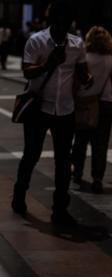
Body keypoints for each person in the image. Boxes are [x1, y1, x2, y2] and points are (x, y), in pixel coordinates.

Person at [11, 0, 93, 226]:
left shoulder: (77, 44)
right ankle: (19, 195)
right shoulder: (37, 41)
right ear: (51, 21)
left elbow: (82, 71)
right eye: (59, 22)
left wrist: (87, 79)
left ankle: (60, 209)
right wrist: (48, 64)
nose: (63, 26)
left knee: (63, 161)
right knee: (32, 155)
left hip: (65, 109)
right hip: (39, 108)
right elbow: (27, 72)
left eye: (66, 22)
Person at [71, 26, 112, 194]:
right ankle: (97, 178)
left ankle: (78, 171)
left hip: (85, 102)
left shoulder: (84, 58)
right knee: (100, 144)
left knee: (80, 140)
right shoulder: (110, 59)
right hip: (106, 103)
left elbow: (77, 81)